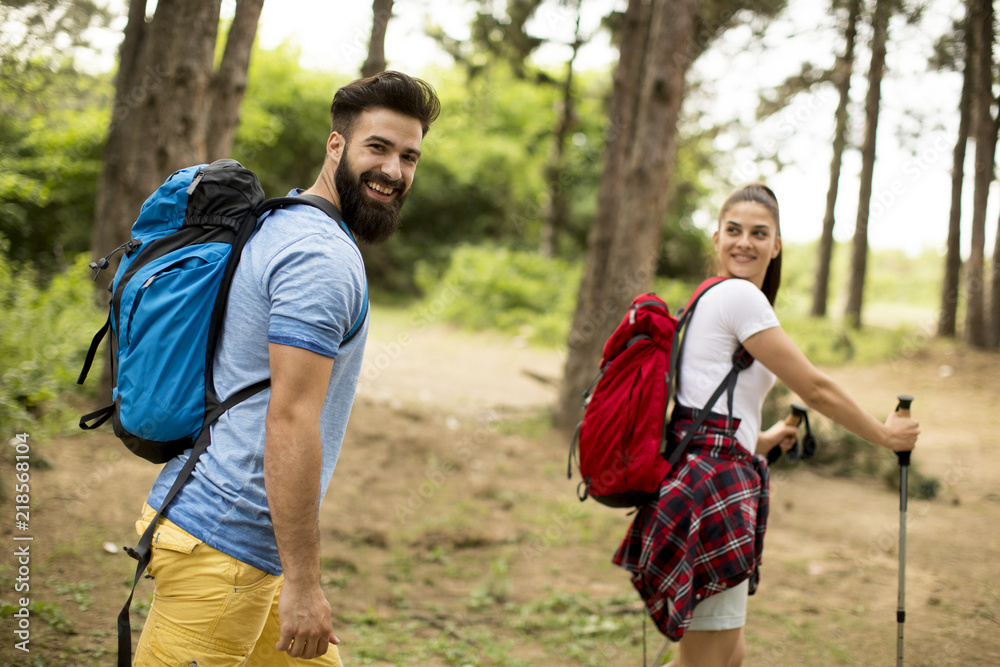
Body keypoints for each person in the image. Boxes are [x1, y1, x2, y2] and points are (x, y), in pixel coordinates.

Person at [132, 71, 440, 666]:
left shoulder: (286, 218)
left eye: (409, 157)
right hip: (226, 544)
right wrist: (304, 582)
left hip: (249, 536)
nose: (394, 171)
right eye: (377, 148)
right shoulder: (320, 257)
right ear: (336, 145)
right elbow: (291, 417)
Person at [613, 183, 920, 667]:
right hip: (711, 492)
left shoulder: (705, 298)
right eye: (734, 230)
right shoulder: (738, 296)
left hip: (702, 480)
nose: (745, 242)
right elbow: (814, 388)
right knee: (709, 661)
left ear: (776, 245)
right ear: (716, 237)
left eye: (759, 233)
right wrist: (885, 435)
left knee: (727, 654)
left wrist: (762, 439)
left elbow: (700, 412)